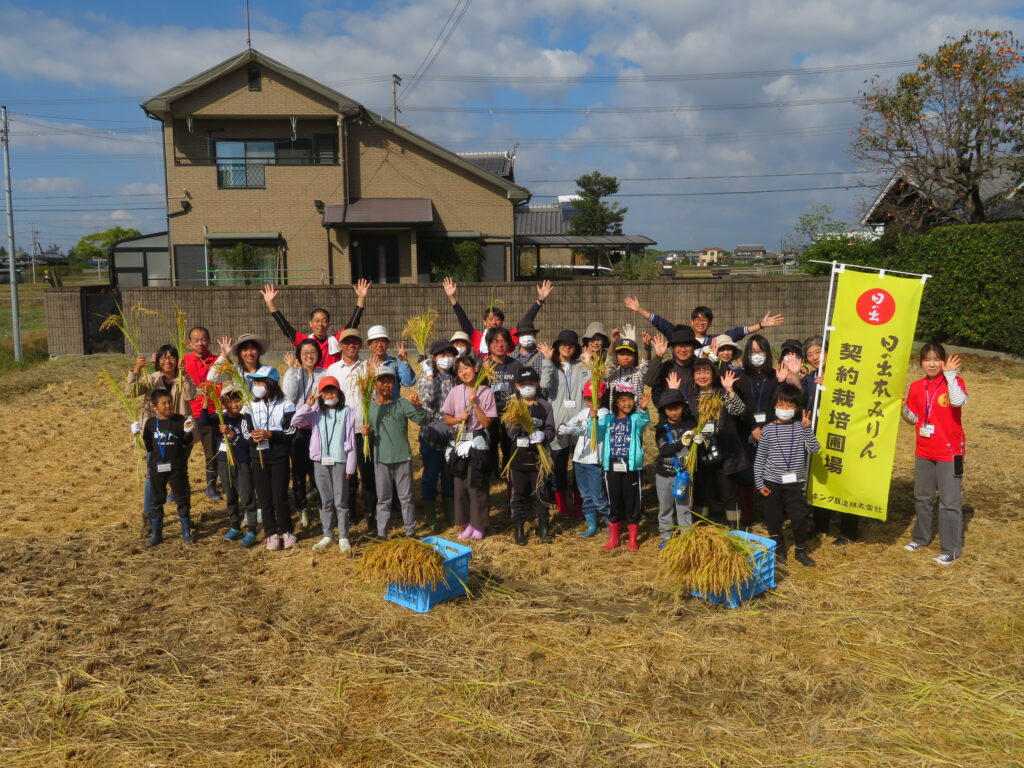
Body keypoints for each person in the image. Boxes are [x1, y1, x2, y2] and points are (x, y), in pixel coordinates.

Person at [901, 344, 967, 565]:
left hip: (951, 453)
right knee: (922, 497)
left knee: (950, 502)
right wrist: (902, 408)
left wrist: (950, 375)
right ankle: (921, 537)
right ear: (920, 362)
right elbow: (913, 418)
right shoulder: (917, 386)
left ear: (944, 361)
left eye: (937, 359)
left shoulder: (954, 383)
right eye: (927, 359)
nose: (931, 363)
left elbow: (959, 401)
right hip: (924, 450)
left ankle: (951, 549)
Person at [127, 344, 197, 535]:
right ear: (157, 361)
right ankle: (149, 517)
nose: (168, 361)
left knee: (182, 474)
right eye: (164, 358)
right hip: (156, 435)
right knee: (152, 476)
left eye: (172, 357)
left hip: (180, 434)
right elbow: (130, 392)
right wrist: (137, 369)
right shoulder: (150, 379)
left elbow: (192, 395)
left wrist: (186, 374)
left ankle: (186, 518)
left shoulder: (182, 378)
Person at [357, 364, 428, 540]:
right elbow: (370, 433)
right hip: (381, 459)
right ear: (375, 385)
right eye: (383, 382)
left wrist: (418, 407)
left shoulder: (401, 403)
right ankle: (382, 533)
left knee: (406, 497)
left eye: (390, 382)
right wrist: (366, 433)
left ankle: (410, 531)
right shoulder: (370, 408)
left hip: (402, 457)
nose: (386, 385)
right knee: (383, 499)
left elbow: (422, 420)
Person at [754, 383, 821, 567]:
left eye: (789, 406)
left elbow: (815, 449)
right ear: (775, 406)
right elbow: (760, 459)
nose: (784, 409)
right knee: (773, 519)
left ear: (797, 408)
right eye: (781, 405)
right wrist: (760, 483)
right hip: (772, 482)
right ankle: (780, 549)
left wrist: (808, 429)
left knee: (799, 517)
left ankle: (800, 550)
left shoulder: (801, 428)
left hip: (795, 482)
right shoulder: (767, 430)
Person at [292, 376, 358, 554]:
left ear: (338, 392)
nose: (329, 394)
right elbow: (295, 422)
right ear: (321, 394)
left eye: (332, 390)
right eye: (326, 391)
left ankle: (343, 535)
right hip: (320, 462)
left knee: (341, 501)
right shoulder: (314, 413)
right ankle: (328, 534)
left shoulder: (348, 412)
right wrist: (307, 404)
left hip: (340, 461)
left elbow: (351, 440)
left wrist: (351, 466)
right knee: (326, 500)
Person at [676, 361, 747, 525]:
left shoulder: (722, 394)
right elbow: (685, 423)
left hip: (726, 452)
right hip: (701, 452)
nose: (702, 376)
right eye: (698, 373)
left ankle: (734, 528)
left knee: (729, 493)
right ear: (693, 377)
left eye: (706, 372)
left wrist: (730, 390)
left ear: (713, 375)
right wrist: (693, 432)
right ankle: (701, 529)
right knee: (702, 492)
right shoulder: (691, 399)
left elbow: (739, 411)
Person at [240, 368, 296, 550]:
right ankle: (271, 533)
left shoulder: (286, 404)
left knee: (280, 497)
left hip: (279, 456)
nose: (256, 386)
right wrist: (252, 437)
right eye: (255, 383)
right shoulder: (250, 404)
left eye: (260, 382)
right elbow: (244, 429)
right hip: (258, 457)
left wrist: (271, 434)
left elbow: (291, 431)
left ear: (270, 383)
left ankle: (287, 530)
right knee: (264, 498)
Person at [442, 356, 497, 540]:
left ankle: (479, 524)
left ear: (475, 368)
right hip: (459, 442)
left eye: (467, 368)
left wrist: (475, 404)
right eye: (459, 370)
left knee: (476, 484)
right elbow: (447, 419)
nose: (464, 372)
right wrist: (459, 419)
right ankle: (466, 524)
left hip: (477, 443)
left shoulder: (485, 392)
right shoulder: (455, 391)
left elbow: (487, 423)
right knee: (460, 485)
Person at [198, 384, 259, 547]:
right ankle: (235, 526)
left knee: (246, 495)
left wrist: (231, 433)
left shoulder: (245, 419)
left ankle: (252, 529)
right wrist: (207, 400)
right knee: (230, 495)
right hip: (224, 462)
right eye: (230, 402)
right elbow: (203, 421)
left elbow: (247, 442)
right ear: (223, 403)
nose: (234, 405)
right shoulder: (221, 416)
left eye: (237, 401)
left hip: (241, 462)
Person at [260, 279, 369, 367]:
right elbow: (284, 326)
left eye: (324, 321)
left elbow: (353, 323)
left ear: (329, 324)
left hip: (332, 383)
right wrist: (270, 303)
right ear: (310, 324)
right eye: (317, 321)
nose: (320, 324)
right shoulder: (304, 341)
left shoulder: (336, 339)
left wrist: (361, 298)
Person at [624, 297, 784, 356]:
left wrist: (761, 325)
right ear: (691, 322)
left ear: (710, 323)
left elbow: (737, 333)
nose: (701, 322)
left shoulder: (715, 340)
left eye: (705, 320)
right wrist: (639, 309)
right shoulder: (680, 337)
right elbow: (659, 322)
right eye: (697, 319)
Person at [539, 329, 589, 520]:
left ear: (575, 348)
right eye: (563, 344)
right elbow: (544, 385)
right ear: (557, 347)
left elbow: (590, 386)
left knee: (579, 466)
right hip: (558, 424)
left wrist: (589, 364)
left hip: (579, 424)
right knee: (558, 466)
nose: (567, 348)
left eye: (571, 345)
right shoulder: (551, 365)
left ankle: (579, 504)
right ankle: (562, 506)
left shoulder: (580, 366)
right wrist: (547, 360)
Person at [504, 369, 556, 545]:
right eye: (524, 384)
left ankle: (543, 526)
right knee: (517, 494)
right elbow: (510, 433)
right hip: (518, 458)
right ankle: (518, 528)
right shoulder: (512, 407)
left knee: (540, 493)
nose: (528, 387)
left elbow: (551, 430)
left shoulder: (545, 406)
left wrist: (543, 436)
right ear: (517, 386)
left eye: (531, 383)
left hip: (538, 459)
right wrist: (519, 422)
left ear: (537, 384)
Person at [137, 389, 195, 547]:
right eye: (164, 403)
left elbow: (185, 442)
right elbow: (148, 446)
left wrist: (188, 432)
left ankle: (186, 532)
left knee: (181, 499)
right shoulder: (150, 424)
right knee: (157, 501)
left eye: (170, 402)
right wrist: (137, 435)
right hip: (156, 469)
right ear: (154, 406)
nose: (168, 405)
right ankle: (157, 534)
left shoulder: (178, 420)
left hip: (176, 468)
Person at [598, 382, 651, 551]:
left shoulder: (635, 419)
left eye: (630, 400)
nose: (627, 403)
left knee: (632, 501)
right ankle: (614, 538)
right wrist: (593, 418)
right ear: (616, 403)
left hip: (631, 468)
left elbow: (644, 420)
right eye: (623, 400)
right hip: (612, 467)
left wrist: (643, 409)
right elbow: (597, 433)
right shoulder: (607, 420)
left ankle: (633, 539)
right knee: (614, 501)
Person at [442, 277, 552, 357]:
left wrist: (540, 300)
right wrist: (452, 297)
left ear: (502, 322)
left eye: (498, 319)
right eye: (490, 319)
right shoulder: (477, 338)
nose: (494, 322)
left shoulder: (509, 337)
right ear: (484, 322)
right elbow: (464, 321)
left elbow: (526, 321)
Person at [734, 334, 779, 525]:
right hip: (746, 431)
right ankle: (747, 513)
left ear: (767, 353)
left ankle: (772, 513)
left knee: (771, 473)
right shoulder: (740, 377)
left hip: (770, 430)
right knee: (746, 473)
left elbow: (777, 403)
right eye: (753, 352)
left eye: (760, 351)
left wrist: (766, 427)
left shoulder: (775, 376)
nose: (757, 355)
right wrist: (753, 426)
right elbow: (738, 406)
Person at [282, 339, 326, 529]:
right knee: (298, 472)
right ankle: (302, 509)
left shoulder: (324, 374)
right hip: (297, 430)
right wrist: (293, 371)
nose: (309, 355)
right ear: (299, 355)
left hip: (317, 428)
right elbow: (289, 397)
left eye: (313, 352)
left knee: (318, 470)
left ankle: (322, 506)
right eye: (305, 352)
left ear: (318, 354)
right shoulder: (293, 373)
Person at [416, 339, 458, 532]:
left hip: (451, 435)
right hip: (431, 435)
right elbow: (428, 400)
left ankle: (450, 511)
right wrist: (431, 376)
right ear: (434, 358)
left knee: (449, 474)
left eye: (450, 355)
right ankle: (431, 515)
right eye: (442, 355)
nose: (446, 359)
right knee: (430, 476)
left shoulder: (455, 377)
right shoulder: (426, 377)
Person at [559, 380, 611, 537]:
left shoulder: (605, 414)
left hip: (594, 460)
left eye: (593, 398)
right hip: (579, 459)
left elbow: (593, 431)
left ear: (601, 398)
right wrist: (564, 427)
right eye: (587, 397)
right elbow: (572, 423)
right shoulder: (583, 412)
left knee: (598, 497)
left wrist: (575, 429)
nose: (590, 401)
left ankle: (612, 525)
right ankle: (592, 525)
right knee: (585, 496)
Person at [182, 326, 223, 501]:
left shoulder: (217, 361)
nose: (200, 343)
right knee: (182, 452)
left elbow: (223, 385)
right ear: (190, 343)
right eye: (196, 340)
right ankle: (178, 487)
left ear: (209, 340)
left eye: (204, 339)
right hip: (188, 414)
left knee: (211, 452)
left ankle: (211, 486)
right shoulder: (183, 360)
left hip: (210, 412)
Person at [654, 388, 697, 548]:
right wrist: (682, 442)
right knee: (665, 506)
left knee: (685, 506)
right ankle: (666, 534)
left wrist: (697, 440)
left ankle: (686, 535)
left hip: (684, 474)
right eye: (669, 409)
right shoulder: (661, 428)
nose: (674, 412)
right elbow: (664, 450)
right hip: (664, 474)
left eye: (677, 408)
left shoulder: (690, 424)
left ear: (682, 407)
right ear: (664, 410)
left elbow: (695, 446)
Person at [481, 327, 523, 473]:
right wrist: (484, 373)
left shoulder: (515, 365)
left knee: (508, 442)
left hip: (510, 412)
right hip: (489, 412)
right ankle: (493, 472)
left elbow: (521, 389)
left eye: (503, 341)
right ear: (488, 344)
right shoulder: (484, 365)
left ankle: (507, 470)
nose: (500, 345)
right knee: (490, 442)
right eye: (495, 341)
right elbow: (477, 389)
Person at [644, 327, 700, 406]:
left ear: (694, 347)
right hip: (671, 413)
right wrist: (658, 356)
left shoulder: (701, 366)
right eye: (679, 345)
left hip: (696, 414)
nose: (683, 350)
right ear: (673, 348)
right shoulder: (666, 367)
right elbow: (649, 382)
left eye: (687, 345)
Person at [207, 334, 279, 392]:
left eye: (253, 349)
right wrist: (223, 356)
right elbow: (212, 378)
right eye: (245, 349)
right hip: (242, 409)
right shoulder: (234, 371)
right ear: (239, 353)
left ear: (259, 351)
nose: (249, 353)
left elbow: (274, 392)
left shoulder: (268, 371)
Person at [605, 337, 648, 410]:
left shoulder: (638, 373)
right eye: (622, 354)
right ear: (616, 357)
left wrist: (647, 348)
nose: (625, 357)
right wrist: (613, 343)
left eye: (629, 354)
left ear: (635, 357)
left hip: (635, 416)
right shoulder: (612, 374)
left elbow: (645, 364)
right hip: (615, 418)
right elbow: (609, 362)